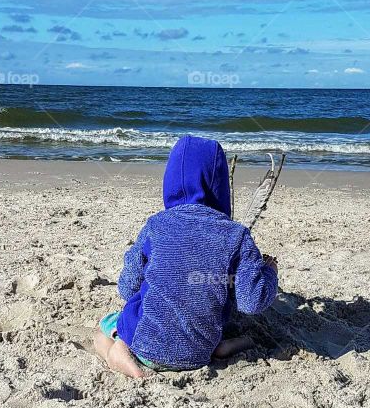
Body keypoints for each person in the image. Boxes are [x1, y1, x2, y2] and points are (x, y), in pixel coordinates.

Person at [94, 134, 279, 378]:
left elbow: (127, 289)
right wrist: (270, 273)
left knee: (103, 329)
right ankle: (224, 346)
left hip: (145, 345)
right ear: (220, 185)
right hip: (200, 353)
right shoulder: (237, 235)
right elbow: (251, 302)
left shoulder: (156, 225)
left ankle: (117, 353)